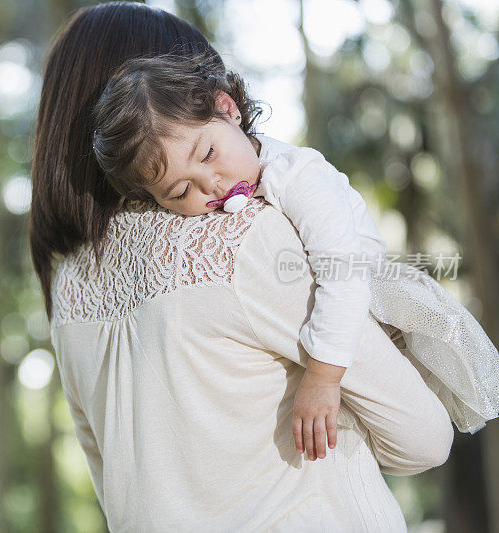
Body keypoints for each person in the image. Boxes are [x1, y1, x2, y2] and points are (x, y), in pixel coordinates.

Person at [30, 2, 454, 530]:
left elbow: (113, 484)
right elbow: (425, 439)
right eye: (181, 186)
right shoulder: (240, 236)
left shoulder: (67, 290)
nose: (209, 188)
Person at [90, 52, 499, 454]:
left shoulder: (299, 176)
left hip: (369, 308)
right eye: (180, 191)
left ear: (227, 108)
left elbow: (344, 273)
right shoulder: (231, 189)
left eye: (208, 154)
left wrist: (322, 378)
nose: (211, 186)